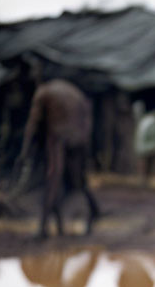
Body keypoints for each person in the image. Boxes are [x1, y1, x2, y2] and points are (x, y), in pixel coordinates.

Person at [17, 78, 99, 238]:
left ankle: (43, 228)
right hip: (78, 139)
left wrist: (24, 152)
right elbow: (87, 118)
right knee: (77, 179)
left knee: (53, 177)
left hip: (59, 137)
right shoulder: (72, 91)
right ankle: (90, 211)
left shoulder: (43, 93)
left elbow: (33, 123)